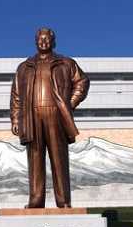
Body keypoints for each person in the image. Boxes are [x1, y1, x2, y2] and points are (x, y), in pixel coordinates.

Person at [10, 28, 90, 208]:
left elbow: (82, 82)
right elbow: (16, 95)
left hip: (56, 115)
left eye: (47, 39)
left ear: (53, 42)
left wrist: (70, 103)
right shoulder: (24, 67)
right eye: (40, 39)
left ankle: (63, 201)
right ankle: (36, 200)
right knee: (35, 159)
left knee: (59, 158)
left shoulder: (66, 63)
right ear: (35, 41)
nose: (43, 42)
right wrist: (15, 119)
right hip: (31, 117)